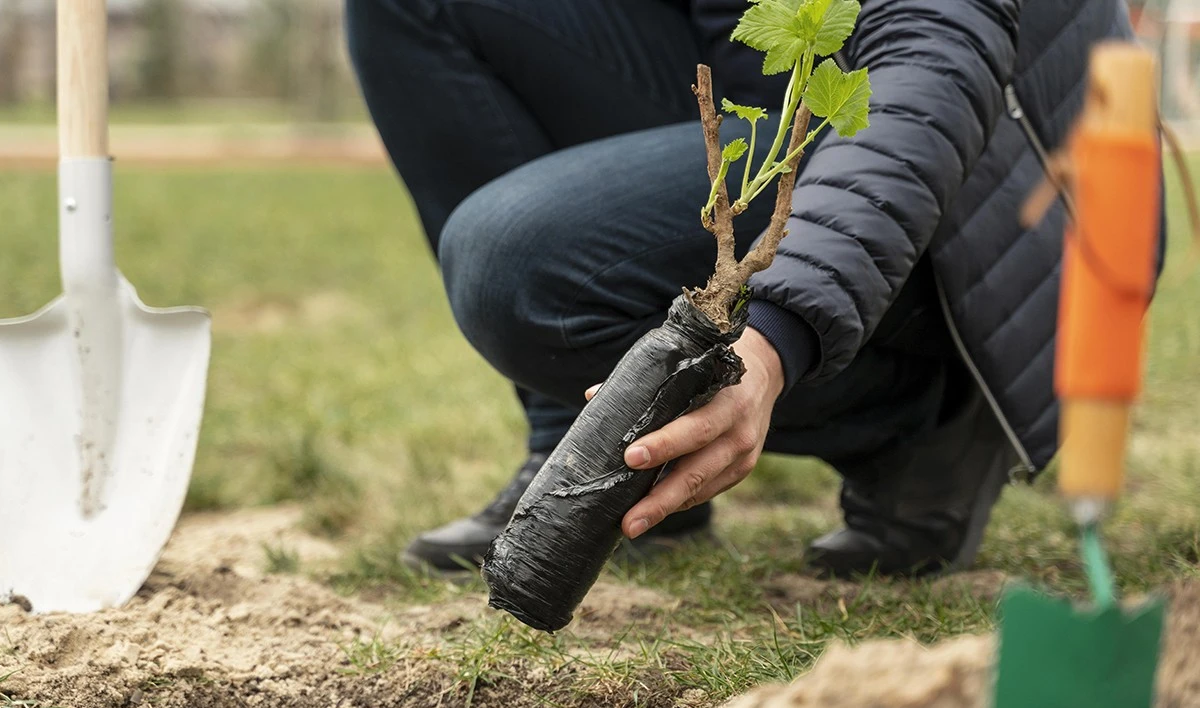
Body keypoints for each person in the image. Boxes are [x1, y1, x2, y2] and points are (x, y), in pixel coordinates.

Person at [344, 0, 1166, 577]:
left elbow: (930, 62)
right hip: (783, 100)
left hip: (983, 194)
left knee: (515, 262)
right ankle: (598, 450)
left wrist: (773, 338)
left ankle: (929, 419)